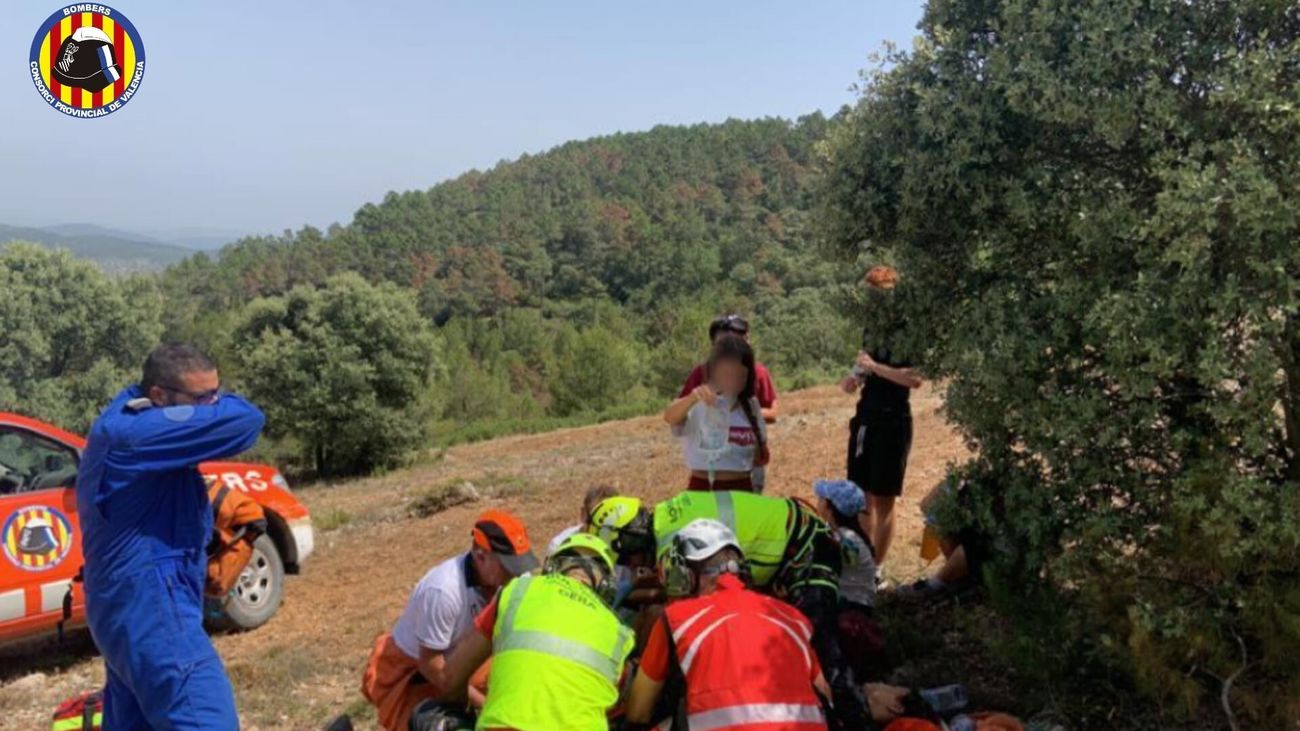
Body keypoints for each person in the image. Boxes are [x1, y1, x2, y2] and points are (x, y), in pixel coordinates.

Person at [76, 343, 265, 730]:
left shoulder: (133, 422)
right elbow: (246, 420)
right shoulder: (136, 431)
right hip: (152, 610)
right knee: (206, 719)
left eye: (216, 393)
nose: (212, 405)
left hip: (127, 610)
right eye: (203, 398)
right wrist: (218, 408)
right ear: (159, 395)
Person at [589, 492, 871, 730]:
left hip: (808, 547)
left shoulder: (675, 590)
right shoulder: (669, 516)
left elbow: (639, 712)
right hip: (794, 545)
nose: (631, 564)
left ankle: (858, 717)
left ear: (632, 540)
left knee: (825, 645)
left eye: (627, 558)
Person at [625, 518, 829, 731]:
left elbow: (638, 712)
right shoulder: (793, 618)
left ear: (688, 575)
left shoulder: (677, 619)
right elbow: (825, 694)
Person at [362, 510, 539, 731]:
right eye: (507, 565)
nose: (515, 575)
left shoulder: (518, 579)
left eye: (519, 565)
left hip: (466, 659)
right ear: (479, 554)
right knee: (428, 723)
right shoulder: (443, 591)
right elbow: (431, 666)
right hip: (419, 673)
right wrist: (484, 705)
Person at [440, 532, 634, 731]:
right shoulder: (619, 633)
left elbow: (450, 678)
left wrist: (465, 714)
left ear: (552, 566)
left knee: (429, 715)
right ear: (607, 585)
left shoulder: (516, 592)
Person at [840, 265, 922, 575]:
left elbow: (913, 379)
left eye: (880, 296)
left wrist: (874, 367)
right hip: (865, 417)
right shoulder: (871, 329)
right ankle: (860, 564)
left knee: (885, 499)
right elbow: (864, 364)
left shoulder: (908, 331)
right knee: (861, 495)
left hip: (893, 419)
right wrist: (854, 376)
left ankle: (877, 569)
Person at [664, 334, 769, 492]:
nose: (732, 382)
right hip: (703, 490)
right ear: (713, 371)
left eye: (740, 375)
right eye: (727, 374)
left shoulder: (751, 406)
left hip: (742, 490)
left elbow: (760, 455)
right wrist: (692, 398)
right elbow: (669, 417)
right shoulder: (699, 401)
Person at [679, 314, 779, 424]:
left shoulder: (758, 372)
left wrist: (739, 413)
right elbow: (677, 414)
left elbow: (773, 413)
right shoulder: (701, 373)